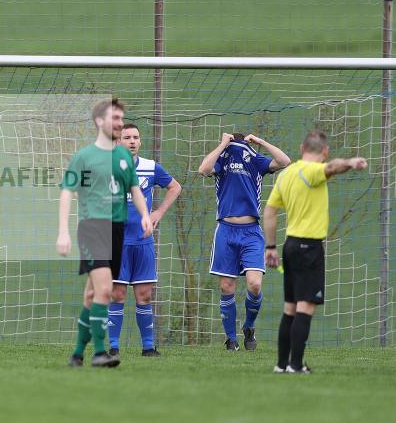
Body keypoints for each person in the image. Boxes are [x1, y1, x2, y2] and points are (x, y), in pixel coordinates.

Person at [57, 99, 153, 368]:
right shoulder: (84, 157)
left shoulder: (123, 157)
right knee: (105, 289)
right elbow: (67, 192)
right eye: (115, 119)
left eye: (122, 119)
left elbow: (134, 189)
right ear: (100, 122)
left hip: (117, 230)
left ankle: (77, 353)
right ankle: (100, 352)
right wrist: (63, 232)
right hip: (92, 228)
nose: (120, 124)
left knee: (91, 296)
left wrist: (146, 215)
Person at [263, 130, 367, 374]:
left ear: (301, 148)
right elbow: (332, 167)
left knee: (290, 308)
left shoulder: (286, 173)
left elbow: (269, 212)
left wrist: (270, 246)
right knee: (305, 307)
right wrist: (351, 162)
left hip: (289, 246)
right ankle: (296, 366)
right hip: (308, 247)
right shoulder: (312, 171)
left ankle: (281, 364)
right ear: (325, 151)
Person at [198, 132, 290, 351]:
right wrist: (222, 144)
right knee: (227, 286)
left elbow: (285, 161)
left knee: (255, 284)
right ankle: (231, 339)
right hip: (226, 231)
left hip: (251, 231)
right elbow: (203, 169)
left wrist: (261, 142)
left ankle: (249, 327)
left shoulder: (255, 159)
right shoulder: (222, 158)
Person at [108, 123, 182, 357]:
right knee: (117, 294)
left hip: (143, 242)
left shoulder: (150, 168)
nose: (131, 141)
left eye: (135, 137)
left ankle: (148, 347)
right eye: (126, 137)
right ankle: (113, 347)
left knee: (144, 295)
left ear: (140, 142)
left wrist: (158, 213)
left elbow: (174, 187)